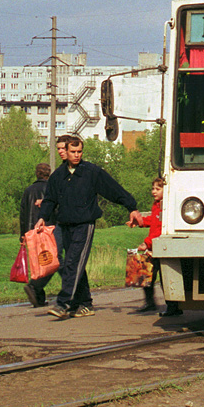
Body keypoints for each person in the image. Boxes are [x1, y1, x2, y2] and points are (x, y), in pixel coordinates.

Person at [40, 135, 139, 320]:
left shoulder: (91, 172)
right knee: (74, 262)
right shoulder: (57, 176)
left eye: (79, 152)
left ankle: (64, 304)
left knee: (74, 262)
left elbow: (113, 189)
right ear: (66, 153)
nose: (77, 155)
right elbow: (50, 200)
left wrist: (131, 207)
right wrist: (42, 218)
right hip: (65, 224)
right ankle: (84, 303)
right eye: (73, 152)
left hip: (84, 224)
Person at [127, 177, 182, 317]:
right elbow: (153, 220)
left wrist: (147, 242)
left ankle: (172, 306)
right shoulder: (157, 204)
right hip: (154, 245)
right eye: (153, 189)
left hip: (160, 246)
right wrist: (140, 222)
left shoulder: (166, 205)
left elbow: (159, 228)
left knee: (164, 276)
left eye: (158, 189)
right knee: (146, 274)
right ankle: (151, 302)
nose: (154, 192)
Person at [19, 162, 59, 307]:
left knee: (37, 263)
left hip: (30, 231)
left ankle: (39, 297)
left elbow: (23, 214)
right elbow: (55, 210)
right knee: (50, 260)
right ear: (49, 173)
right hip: (48, 230)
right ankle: (35, 287)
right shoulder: (51, 189)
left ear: (36, 173)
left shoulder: (28, 191)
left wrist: (22, 234)